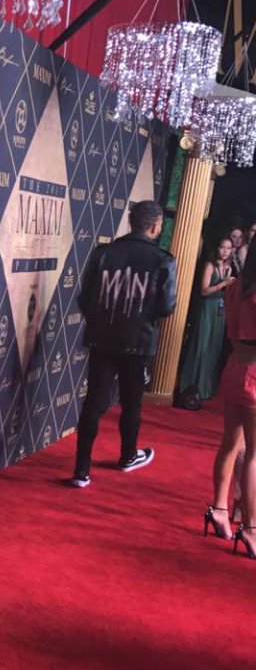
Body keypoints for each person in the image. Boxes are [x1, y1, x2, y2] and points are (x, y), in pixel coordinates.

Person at [70, 200, 177, 488]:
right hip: (138, 342)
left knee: (93, 403)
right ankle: (128, 456)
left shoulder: (103, 253)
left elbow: (85, 299)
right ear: (155, 227)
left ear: (132, 222)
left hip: (102, 339)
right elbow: (167, 307)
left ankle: (81, 471)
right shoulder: (163, 260)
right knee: (132, 403)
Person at [205, 238, 256, 558]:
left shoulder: (237, 287)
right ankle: (251, 527)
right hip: (254, 374)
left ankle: (219, 509)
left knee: (230, 444)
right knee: (253, 455)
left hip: (235, 367)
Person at [177, 238, 235, 403]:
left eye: (228, 248)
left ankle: (205, 388)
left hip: (220, 309)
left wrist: (229, 287)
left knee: (214, 348)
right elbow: (204, 290)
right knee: (200, 345)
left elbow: (226, 293)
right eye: (222, 247)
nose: (225, 251)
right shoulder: (210, 266)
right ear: (217, 248)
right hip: (207, 307)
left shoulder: (228, 268)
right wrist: (223, 284)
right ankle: (190, 386)